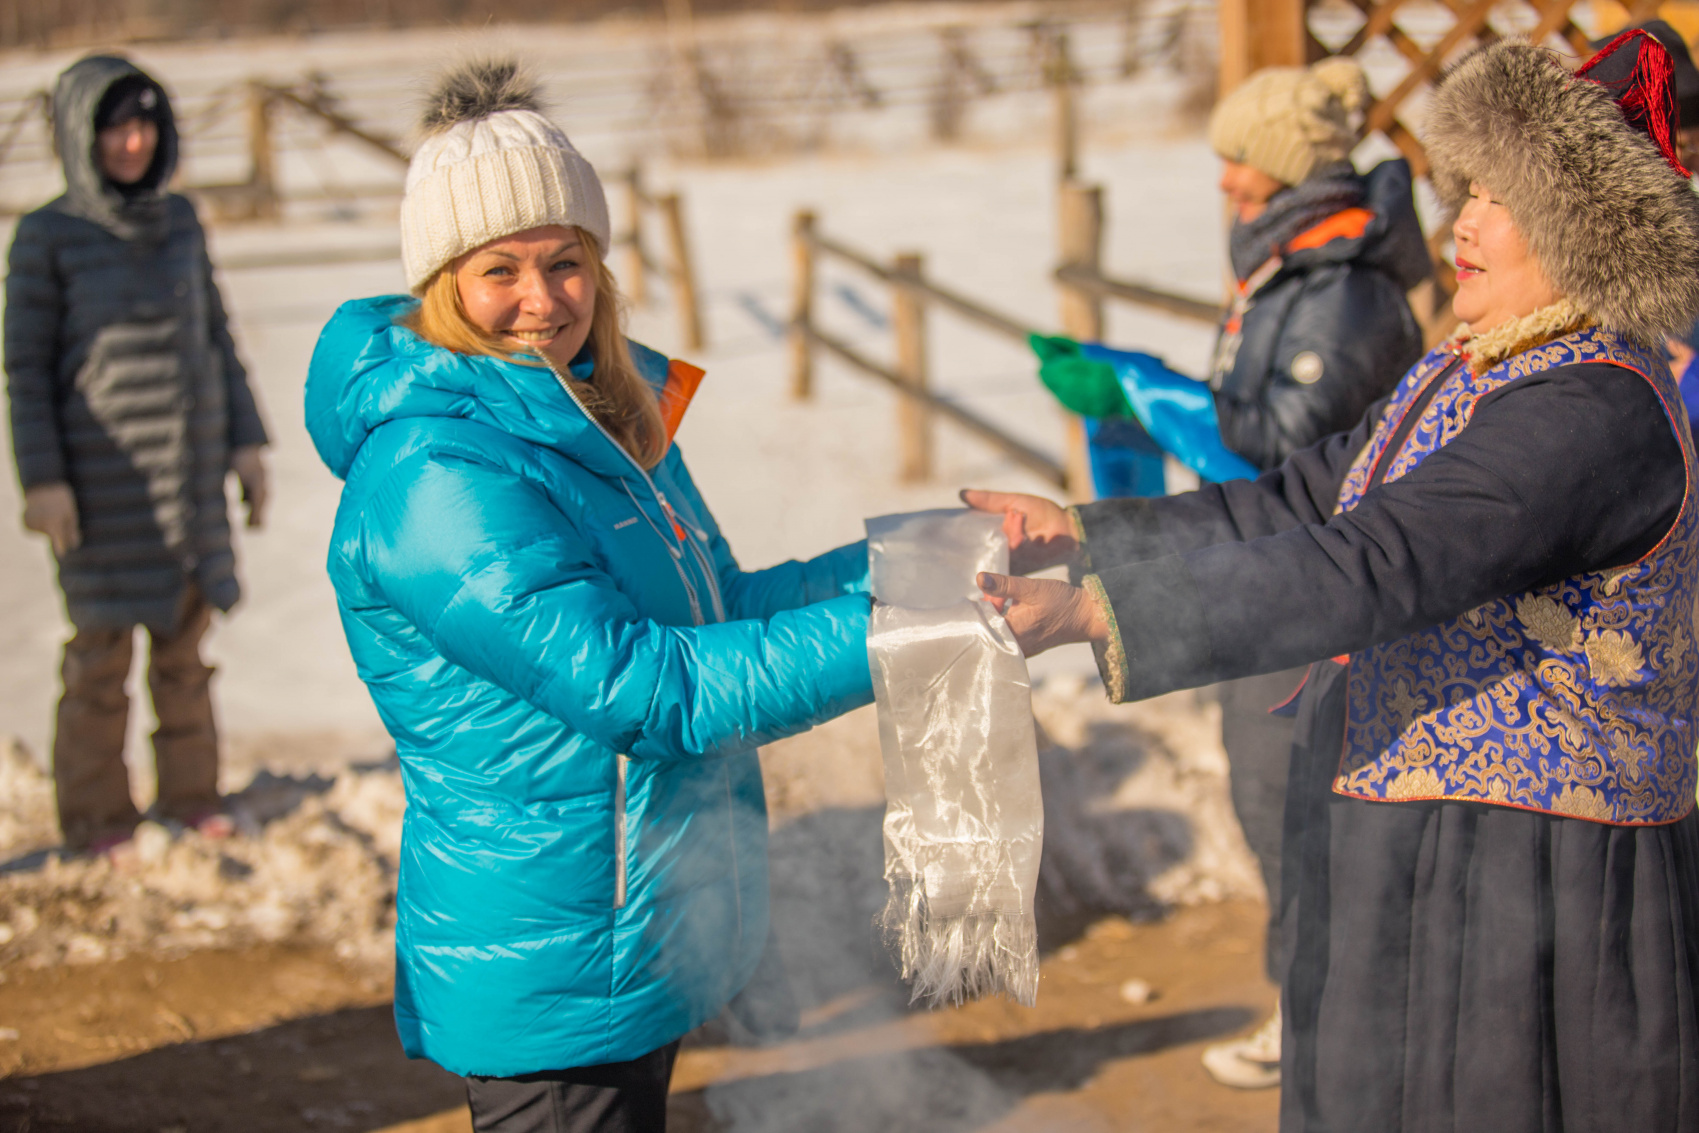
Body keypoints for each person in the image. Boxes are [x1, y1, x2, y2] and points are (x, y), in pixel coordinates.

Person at [970, 32, 1699, 1129]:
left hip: (1533, 873)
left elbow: (1377, 559)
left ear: (1582, 232)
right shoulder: (1470, 365)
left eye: (1500, 199)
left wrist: (1102, 615)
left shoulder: (1592, 411)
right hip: (1416, 843)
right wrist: (1081, 536)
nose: (1461, 223)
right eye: (1470, 189)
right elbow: (1305, 500)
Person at [303, 60, 873, 1132]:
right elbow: (649, 689)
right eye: (499, 270)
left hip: (635, 923)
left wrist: (917, 563)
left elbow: (717, 608)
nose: (541, 298)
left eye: (564, 261)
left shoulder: (597, 414)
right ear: (442, 283)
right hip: (552, 958)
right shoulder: (437, 474)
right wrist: (898, 635)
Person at [1037, 54, 1433, 1088]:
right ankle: (1313, 1010)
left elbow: (1290, 452)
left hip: (1315, 596)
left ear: (1289, 168)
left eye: (1239, 161)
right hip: (1268, 575)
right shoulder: (1286, 271)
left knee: (1301, 810)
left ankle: (1337, 1031)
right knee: (1273, 805)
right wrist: (1134, 388)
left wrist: (1145, 388)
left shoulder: (1344, 294)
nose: (1221, 181)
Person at [4, 55, 270, 854]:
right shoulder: (48, 236)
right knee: (100, 659)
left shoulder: (179, 221)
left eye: (145, 125)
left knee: (186, 652)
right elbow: (25, 372)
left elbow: (216, 337)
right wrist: (44, 480)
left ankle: (191, 795)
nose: (132, 142)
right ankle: (97, 816)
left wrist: (247, 443)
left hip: (187, 479)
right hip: (103, 486)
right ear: (79, 135)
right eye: (115, 128)